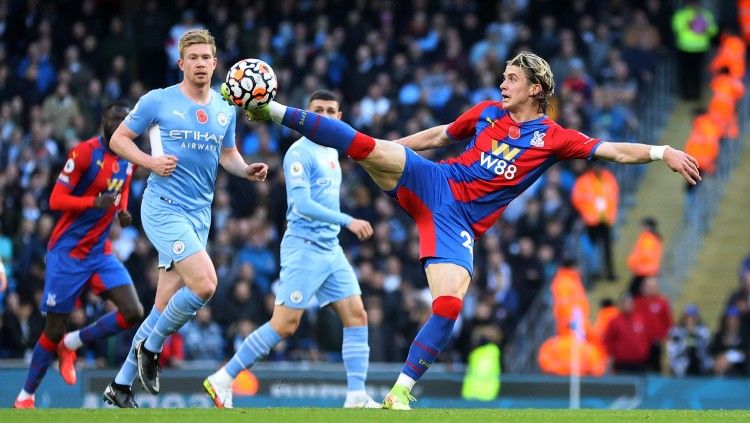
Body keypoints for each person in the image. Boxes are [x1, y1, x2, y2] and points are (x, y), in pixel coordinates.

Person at [223, 50, 700, 410]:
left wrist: (662, 151)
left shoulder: (554, 137)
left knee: (450, 304)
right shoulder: (487, 112)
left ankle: (400, 392)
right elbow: (437, 137)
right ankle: (270, 111)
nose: (502, 83)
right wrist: (382, 153)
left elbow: (613, 151)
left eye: (513, 78)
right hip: (434, 180)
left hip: (458, 222)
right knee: (367, 144)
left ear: (537, 88)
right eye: (504, 76)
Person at [104, 29, 268, 407]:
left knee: (164, 306)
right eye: (192, 58)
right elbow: (118, 139)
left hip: (199, 215)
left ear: (215, 63)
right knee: (206, 284)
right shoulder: (158, 101)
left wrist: (246, 170)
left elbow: (227, 155)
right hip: (163, 207)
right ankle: (153, 349)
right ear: (181, 63)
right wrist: (150, 162)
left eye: (205, 58)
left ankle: (120, 387)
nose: (199, 64)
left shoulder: (225, 108)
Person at [203, 90, 380, 409]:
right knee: (285, 324)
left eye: (330, 111)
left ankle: (356, 396)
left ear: (339, 118)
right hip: (304, 249)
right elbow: (302, 204)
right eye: (317, 111)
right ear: (307, 116)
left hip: (331, 249)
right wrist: (347, 219)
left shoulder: (333, 153)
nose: (324, 116)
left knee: (357, 315)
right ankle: (223, 378)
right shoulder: (299, 152)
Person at [13, 104, 144, 409]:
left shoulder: (129, 157)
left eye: (125, 122)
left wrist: (123, 210)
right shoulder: (84, 153)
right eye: (114, 121)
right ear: (103, 125)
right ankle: (26, 396)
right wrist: (93, 202)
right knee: (53, 328)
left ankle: (73, 343)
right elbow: (55, 199)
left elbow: (121, 188)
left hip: (99, 252)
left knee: (133, 311)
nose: (119, 126)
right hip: (68, 253)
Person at [571, 162, 619, 281]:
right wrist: (585, 212)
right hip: (591, 221)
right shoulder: (584, 180)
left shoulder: (609, 177)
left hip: (606, 219)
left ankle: (610, 272)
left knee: (607, 248)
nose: (598, 168)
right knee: (592, 249)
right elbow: (576, 199)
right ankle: (595, 273)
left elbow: (614, 195)